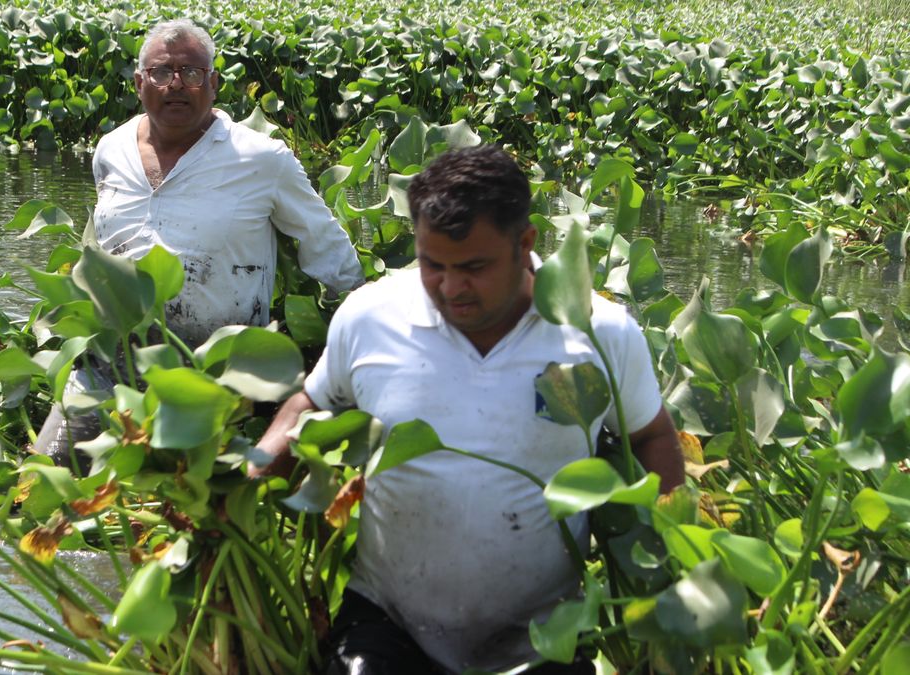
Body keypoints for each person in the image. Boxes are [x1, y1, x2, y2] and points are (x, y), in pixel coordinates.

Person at [253, 145, 684, 674]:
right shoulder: (370, 315)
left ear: (524, 244)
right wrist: (257, 463)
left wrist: (665, 560)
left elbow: (652, 436)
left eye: (475, 267)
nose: (451, 288)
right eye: (434, 265)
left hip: (543, 635)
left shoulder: (597, 331)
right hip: (390, 622)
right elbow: (313, 401)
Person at [34, 18, 364, 461]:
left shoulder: (263, 159)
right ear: (139, 82)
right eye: (161, 72)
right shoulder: (110, 150)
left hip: (219, 370)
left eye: (191, 73)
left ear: (213, 84)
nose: (176, 85)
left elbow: (331, 252)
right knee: (43, 471)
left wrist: (355, 331)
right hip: (112, 361)